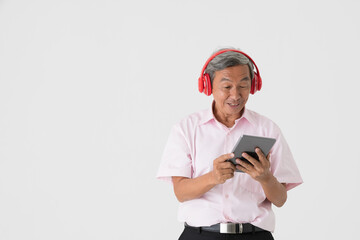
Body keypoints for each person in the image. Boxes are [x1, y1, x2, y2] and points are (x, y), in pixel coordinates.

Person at [157, 48, 303, 240]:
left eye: (243, 85)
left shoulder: (268, 129)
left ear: (253, 85)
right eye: (227, 87)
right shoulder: (186, 129)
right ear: (207, 86)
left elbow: (280, 199)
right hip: (199, 236)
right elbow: (181, 193)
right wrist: (212, 177)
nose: (236, 95)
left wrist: (265, 178)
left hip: (254, 235)